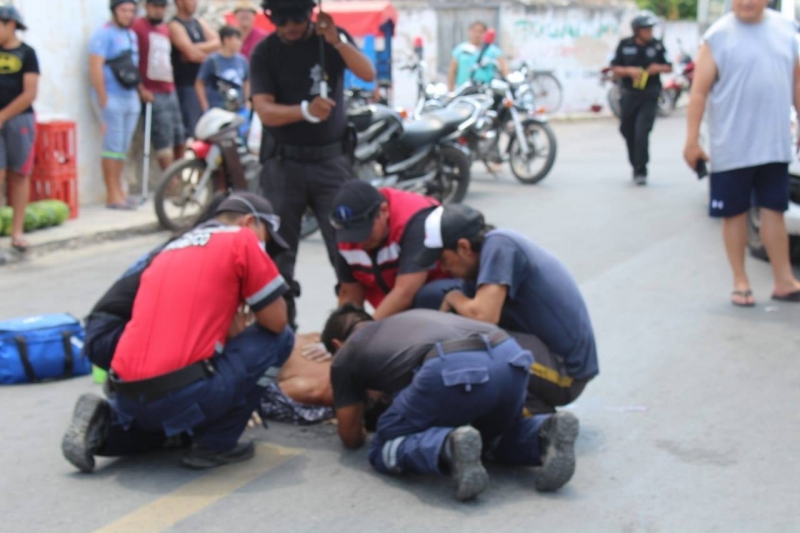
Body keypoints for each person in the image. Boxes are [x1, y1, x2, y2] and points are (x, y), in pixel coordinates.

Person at [61, 193, 295, 472]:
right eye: (265, 239)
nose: (265, 249)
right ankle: (215, 444)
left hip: (128, 394)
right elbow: (277, 321)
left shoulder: (169, 248)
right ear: (248, 222)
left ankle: (106, 428)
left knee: (170, 424)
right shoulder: (240, 240)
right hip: (182, 393)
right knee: (281, 339)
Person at [321, 307, 580, 501]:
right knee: (494, 436)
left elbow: (350, 436)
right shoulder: (406, 319)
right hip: (510, 356)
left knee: (383, 446)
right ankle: (544, 433)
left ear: (337, 344)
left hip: (453, 368)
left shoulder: (345, 356)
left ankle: (447, 448)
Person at [251, 0, 375, 328]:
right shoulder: (265, 53)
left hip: (330, 161)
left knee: (346, 249)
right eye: (281, 19)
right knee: (277, 254)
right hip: (283, 164)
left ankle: (348, 330)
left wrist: (336, 41)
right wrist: (304, 111)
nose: (290, 25)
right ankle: (280, 334)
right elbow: (264, 109)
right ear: (270, 18)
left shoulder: (330, 40)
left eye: (298, 17)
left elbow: (367, 73)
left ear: (311, 13)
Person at [416, 204, 599, 414]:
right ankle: (534, 411)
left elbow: (484, 316)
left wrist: (453, 297)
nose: (443, 269)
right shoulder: (474, 271)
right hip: (542, 355)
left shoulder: (500, 245)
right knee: (449, 322)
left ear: (464, 247)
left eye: (443, 260)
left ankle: (538, 424)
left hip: (567, 372)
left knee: (476, 350)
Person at [683, 0, 800, 306]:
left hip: (774, 145)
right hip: (732, 147)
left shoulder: (787, 30)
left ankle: (784, 280)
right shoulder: (718, 35)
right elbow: (698, 92)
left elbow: (797, 82)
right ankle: (740, 281)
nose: (746, 1)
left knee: (775, 210)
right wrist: (692, 141)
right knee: (734, 213)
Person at [331, 181, 460, 319]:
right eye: (352, 235)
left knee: (429, 295)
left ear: (384, 211)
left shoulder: (415, 221)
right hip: (391, 303)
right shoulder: (345, 234)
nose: (360, 241)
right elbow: (350, 294)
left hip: (436, 300)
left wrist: (367, 331)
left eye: (365, 231)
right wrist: (346, 333)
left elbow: (405, 292)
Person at [89, 0, 147, 209]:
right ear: (114, 11)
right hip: (112, 97)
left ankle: (120, 191)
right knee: (112, 147)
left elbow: (133, 66)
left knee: (122, 146)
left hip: (129, 96)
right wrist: (103, 97)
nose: (128, 15)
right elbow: (95, 66)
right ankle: (112, 193)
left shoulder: (130, 35)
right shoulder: (103, 34)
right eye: (124, 10)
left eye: (131, 11)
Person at [610, 11, 672, 186]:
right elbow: (614, 67)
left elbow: (669, 66)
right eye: (646, 29)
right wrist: (629, 71)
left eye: (651, 29)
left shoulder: (657, 46)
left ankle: (641, 169)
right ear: (637, 30)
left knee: (642, 131)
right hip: (629, 95)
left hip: (649, 95)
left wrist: (657, 67)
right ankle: (635, 162)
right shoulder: (625, 45)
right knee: (627, 130)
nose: (650, 32)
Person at [0, 5, 38, 254]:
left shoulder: (27, 53)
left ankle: (17, 232)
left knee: (19, 175)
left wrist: (3, 115)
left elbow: (30, 93)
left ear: (10, 24)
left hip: (19, 121)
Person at [131, 0, 186, 171]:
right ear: (146, 6)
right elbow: (132, 60)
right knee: (163, 137)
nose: (158, 11)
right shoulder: (137, 27)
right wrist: (140, 88)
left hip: (169, 88)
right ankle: (169, 182)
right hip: (152, 90)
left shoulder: (165, 29)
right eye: (155, 6)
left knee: (179, 135)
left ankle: (177, 176)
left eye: (162, 7)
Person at [169, 0, 220, 137]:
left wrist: (195, 47)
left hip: (205, 86)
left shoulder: (198, 22)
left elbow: (219, 43)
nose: (195, 3)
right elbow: (191, 55)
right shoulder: (175, 25)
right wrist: (201, 51)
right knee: (193, 130)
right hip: (187, 87)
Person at [195, 26, 249, 115]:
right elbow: (199, 83)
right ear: (227, 40)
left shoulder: (242, 60)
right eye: (237, 39)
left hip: (239, 109)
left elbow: (246, 81)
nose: (240, 43)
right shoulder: (212, 60)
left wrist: (247, 102)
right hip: (217, 110)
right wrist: (205, 106)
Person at [447, 21, 508, 92]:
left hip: (487, 91)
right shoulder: (461, 50)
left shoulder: (493, 50)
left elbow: (504, 70)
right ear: (470, 31)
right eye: (475, 31)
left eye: (481, 31)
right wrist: (450, 91)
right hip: (465, 90)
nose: (477, 34)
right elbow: (452, 72)